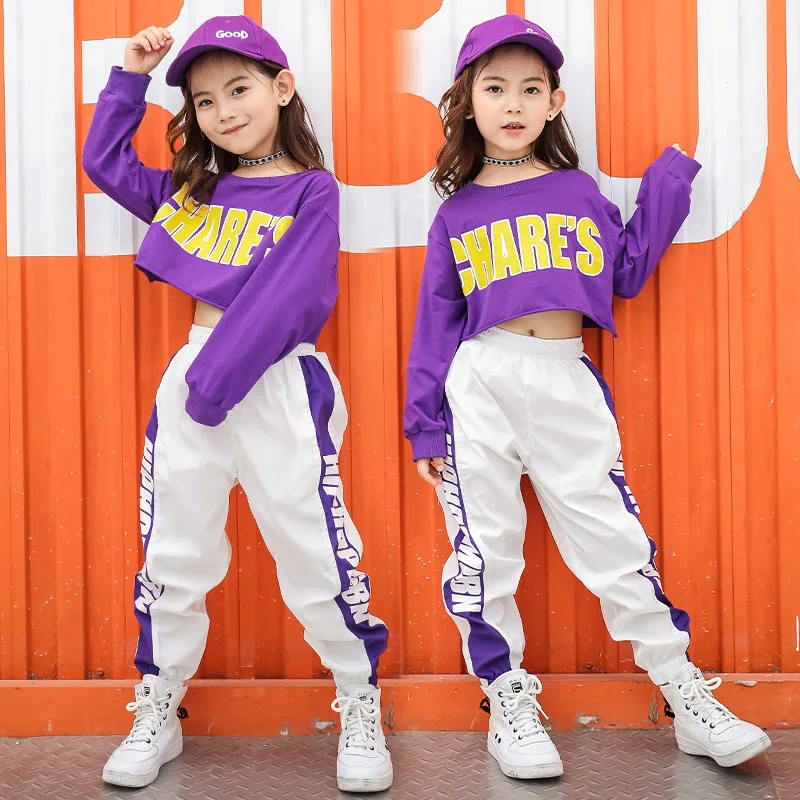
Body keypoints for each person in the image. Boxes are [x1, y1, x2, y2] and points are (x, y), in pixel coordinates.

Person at [403, 13, 770, 780]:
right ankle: (507, 699)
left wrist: (668, 182)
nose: (513, 103)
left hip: (565, 377)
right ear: (468, 101)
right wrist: (424, 427)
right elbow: (436, 322)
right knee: (484, 547)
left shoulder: (575, 191)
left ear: (555, 101)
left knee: (612, 537)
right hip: (480, 378)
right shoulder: (456, 212)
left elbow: (624, 273)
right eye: (494, 88)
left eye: (529, 89)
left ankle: (682, 689)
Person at [83, 15, 392, 793]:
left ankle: (359, 698)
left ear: (282, 88)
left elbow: (294, 295)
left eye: (240, 89)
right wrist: (130, 77)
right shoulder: (193, 190)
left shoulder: (311, 190)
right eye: (206, 100)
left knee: (315, 548)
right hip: (196, 376)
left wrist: (211, 386)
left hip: (277, 381)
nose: (224, 111)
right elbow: (104, 163)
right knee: (174, 550)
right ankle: (159, 702)